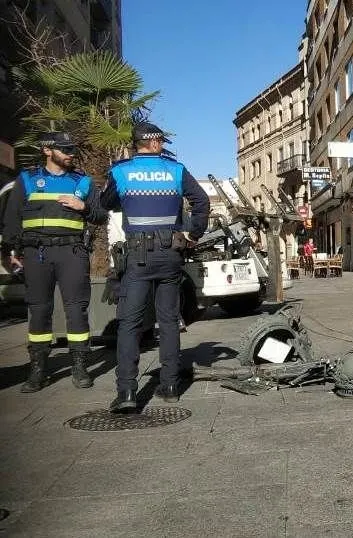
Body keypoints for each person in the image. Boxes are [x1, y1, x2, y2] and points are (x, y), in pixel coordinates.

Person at [98, 122, 209, 413]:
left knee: (130, 323)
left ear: (135, 144)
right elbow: (202, 201)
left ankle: (127, 393)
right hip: (170, 253)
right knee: (169, 321)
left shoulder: (121, 171)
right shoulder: (175, 170)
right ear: (156, 143)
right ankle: (170, 385)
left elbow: (105, 203)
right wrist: (193, 234)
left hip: (137, 257)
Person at [0, 132, 108, 392]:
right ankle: (38, 370)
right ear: (47, 151)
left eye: (72, 148)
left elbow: (100, 215)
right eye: (64, 149)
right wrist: (10, 252)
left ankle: (80, 367)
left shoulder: (82, 181)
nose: (70, 153)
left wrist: (82, 206)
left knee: (76, 309)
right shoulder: (26, 179)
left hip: (71, 252)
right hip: (36, 254)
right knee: (38, 310)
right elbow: (12, 219)